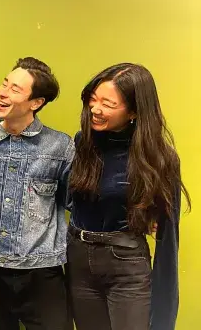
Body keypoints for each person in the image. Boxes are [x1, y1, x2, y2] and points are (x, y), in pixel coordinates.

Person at [66, 63, 191, 330]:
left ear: (134, 111)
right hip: (78, 258)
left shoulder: (159, 158)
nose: (95, 110)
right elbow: (74, 198)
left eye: (108, 104)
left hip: (125, 264)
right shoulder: (83, 142)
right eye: (93, 99)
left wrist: (165, 314)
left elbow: (169, 238)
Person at [0, 57, 74, 330]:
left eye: (15, 89)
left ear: (36, 103)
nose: (3, 92)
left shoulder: (61, 147)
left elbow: (74, 201)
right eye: (4, 83)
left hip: (42, 270)